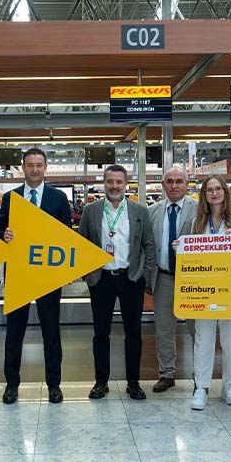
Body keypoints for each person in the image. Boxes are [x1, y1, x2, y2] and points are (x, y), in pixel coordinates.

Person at [0, 148, 72, 404]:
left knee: (52, 333)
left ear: (45, 167)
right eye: (30, 165)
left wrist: (66, 270)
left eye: (39, 165)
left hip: (48, 276)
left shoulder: (58, 198)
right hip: (18, 275)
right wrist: (4, 235)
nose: (35, 169)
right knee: (14, 332)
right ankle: (11, 385)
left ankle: (54, 385)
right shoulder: (11, 198)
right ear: (23, 167)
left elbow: (67, 237)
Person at [78, 165, 155, 400]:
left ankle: (134, 382)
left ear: (126, 184)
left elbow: (149, 245)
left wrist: (145, 276)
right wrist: (87, 274)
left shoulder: (140, 211)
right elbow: (82, 243)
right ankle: (101, 382)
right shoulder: (90, 210)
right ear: (104, 183)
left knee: (134, 332)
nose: (114, 186)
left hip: (131, 278)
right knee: (101, 332)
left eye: (119, 182)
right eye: (110, 181)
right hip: (101, 279)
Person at [186, 175, 231, 409]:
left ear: (225, 191)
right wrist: (180, 248)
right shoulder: (197, 222)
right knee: (203, 339)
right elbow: (192, 254)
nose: (214, 193)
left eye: (218, 189)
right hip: (206, 288)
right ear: (204, 195)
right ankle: (201, 387)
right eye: (209, 190)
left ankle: (228, 386)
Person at [146, 167, 196, 393]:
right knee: (164, 329)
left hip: (193, 280)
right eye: (170, 181)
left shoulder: (200, 208)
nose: (174, 186)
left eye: (179, 181)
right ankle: (166, 374)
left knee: (198, 329)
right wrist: (148, 278)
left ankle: (200, 377)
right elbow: (147, 246)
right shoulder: (152, 211)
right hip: (163, 277)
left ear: (187, 184)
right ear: (163, 185)